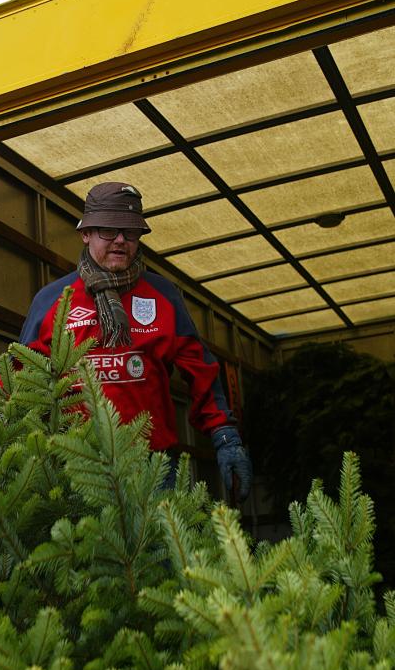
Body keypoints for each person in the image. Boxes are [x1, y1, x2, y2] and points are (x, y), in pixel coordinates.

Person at [19, 181, 252, 500]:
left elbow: (201, 369)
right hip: (75, 464)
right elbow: (21, 374)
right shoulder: (52, 300)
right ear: (85, 233)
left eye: (129, 232)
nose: (120, 240)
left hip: (154, 467)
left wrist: (225, 435)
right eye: (108, 230)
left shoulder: (164, 296)